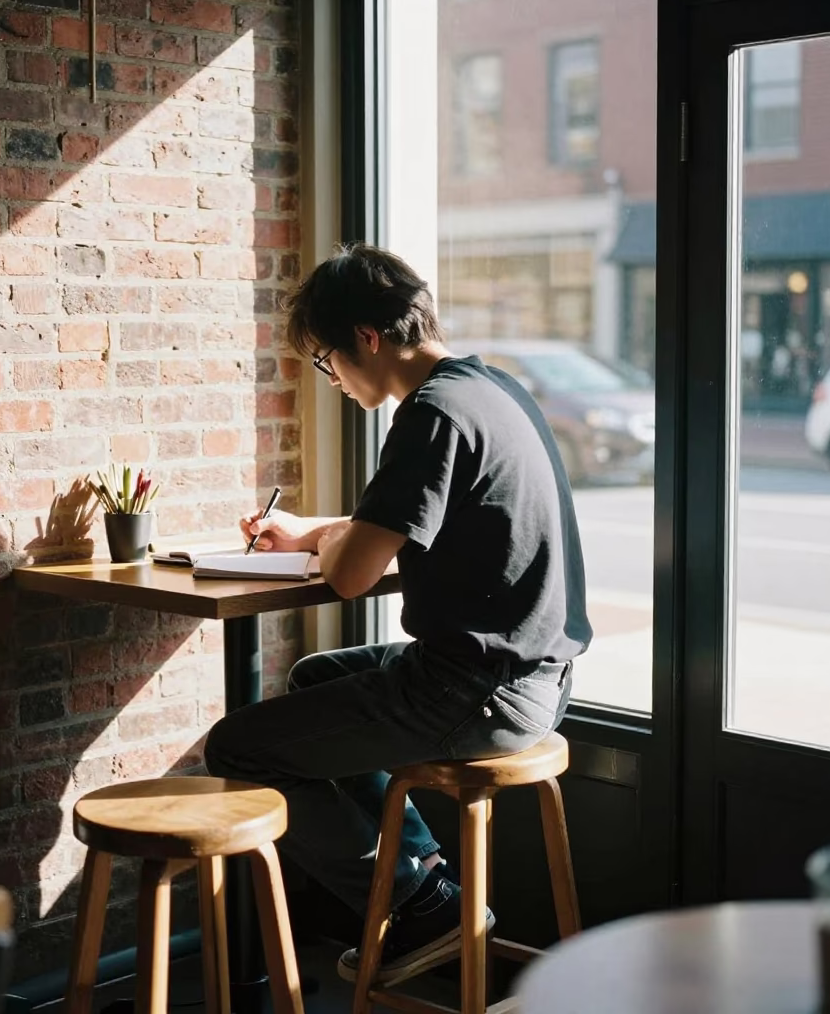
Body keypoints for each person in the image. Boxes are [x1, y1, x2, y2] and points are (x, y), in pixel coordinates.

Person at [202, 243, 592, 986]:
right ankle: (419, 873)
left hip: (477, 690)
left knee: (238, 748)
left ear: (368, 340)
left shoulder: (430, 416)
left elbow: (351, 577)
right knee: (317, 677)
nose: (335, 380)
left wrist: (330, 543)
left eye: (328, 360)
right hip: (537, 675)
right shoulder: (490, 388)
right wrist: (313, 535)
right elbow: (381, 529)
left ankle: (416, 904)